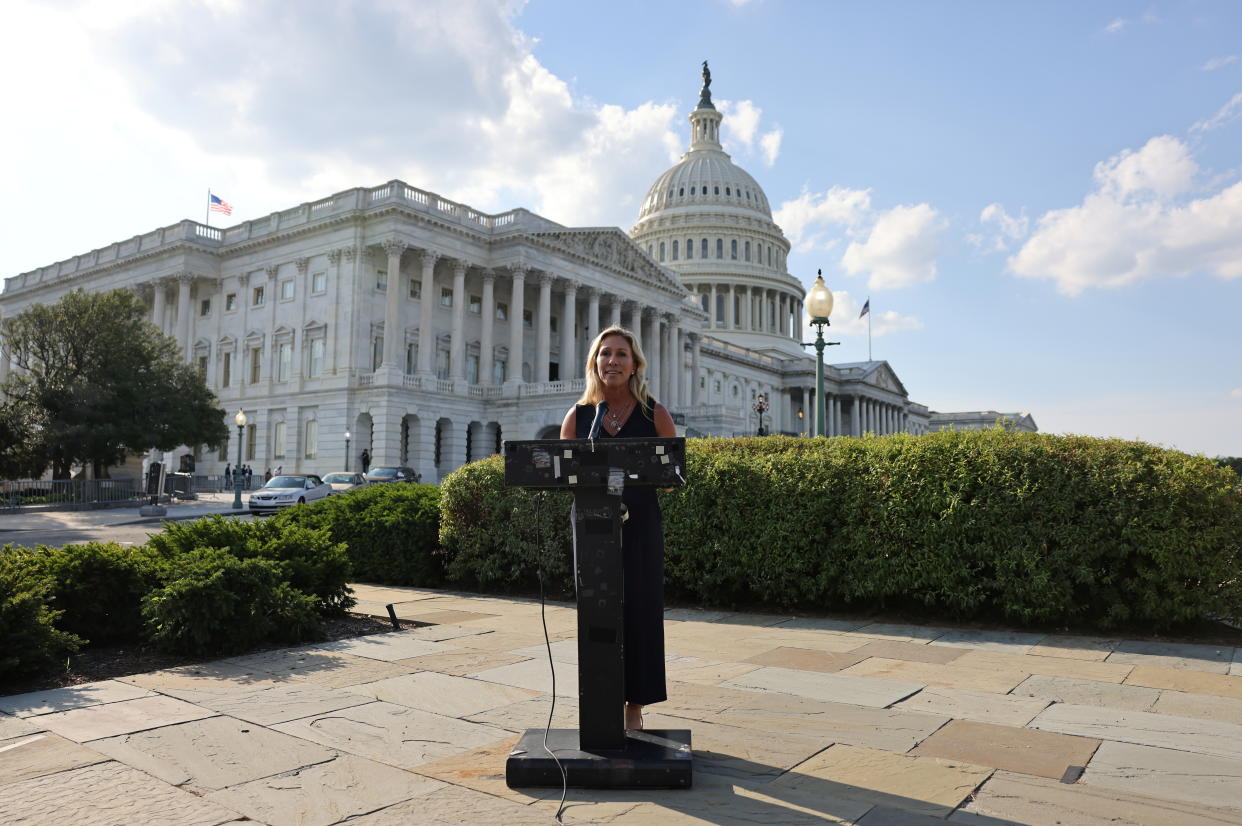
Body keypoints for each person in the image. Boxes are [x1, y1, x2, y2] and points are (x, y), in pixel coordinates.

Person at [559, 325, 676, 731]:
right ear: (595, 363)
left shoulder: (653, 413)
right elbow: (565, 472)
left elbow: (671, 472)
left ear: (634, 364)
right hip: (592, 528)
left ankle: (634, 706)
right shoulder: (579, 417)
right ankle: (599, 699)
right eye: (605, 353)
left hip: (640, 524)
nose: (613, 361)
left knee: (641, 610)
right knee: (598, 613)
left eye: (621, 354)